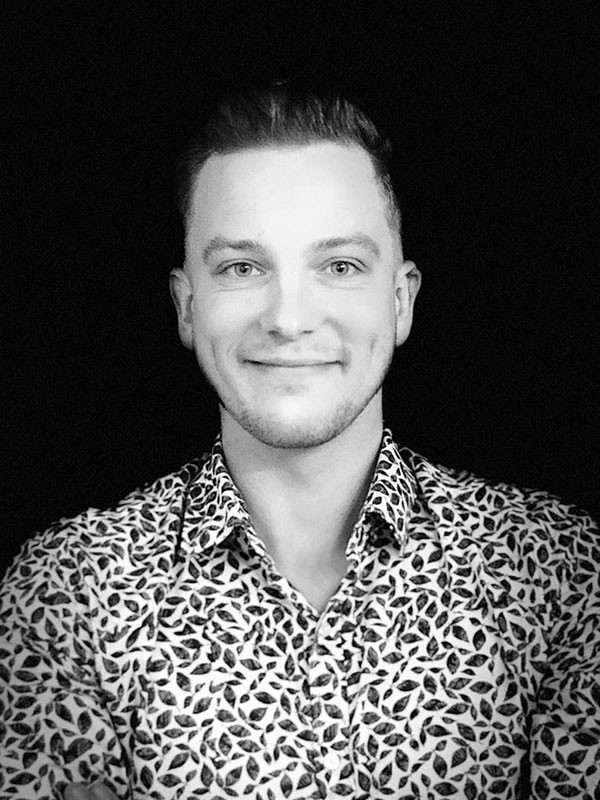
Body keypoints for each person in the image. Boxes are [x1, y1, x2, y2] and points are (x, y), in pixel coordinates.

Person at [1, 83, 599, 800]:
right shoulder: (67, 589)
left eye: (339, 266)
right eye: (242, 268)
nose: (288, 318)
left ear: (400, 300)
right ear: (186, 307)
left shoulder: (560, 572)